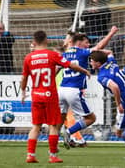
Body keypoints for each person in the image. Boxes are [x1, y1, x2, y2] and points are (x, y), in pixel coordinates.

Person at [21, 30, 91, 163]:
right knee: (53, 125)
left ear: (34, 42)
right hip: (50, 96)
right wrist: (84, 70)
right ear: (46, 40)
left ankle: (30, 155)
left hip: (36, 96)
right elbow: (70, 65)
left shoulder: (28, 58)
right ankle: (53, 155)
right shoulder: (52, 55)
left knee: (36, 126)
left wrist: (23, 92)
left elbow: (24, 78)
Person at [59, 26, 118, 149]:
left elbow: (56, 69)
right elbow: (98, 47)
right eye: (86, 42)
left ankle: (53, 147)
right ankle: (69, 132)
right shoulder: (81, 52)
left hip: (61, 89)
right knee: (91, 118)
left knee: (60, 120)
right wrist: (111, 33)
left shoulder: (64, 54)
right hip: (74, 90)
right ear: (79, 42)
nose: (88, 45)